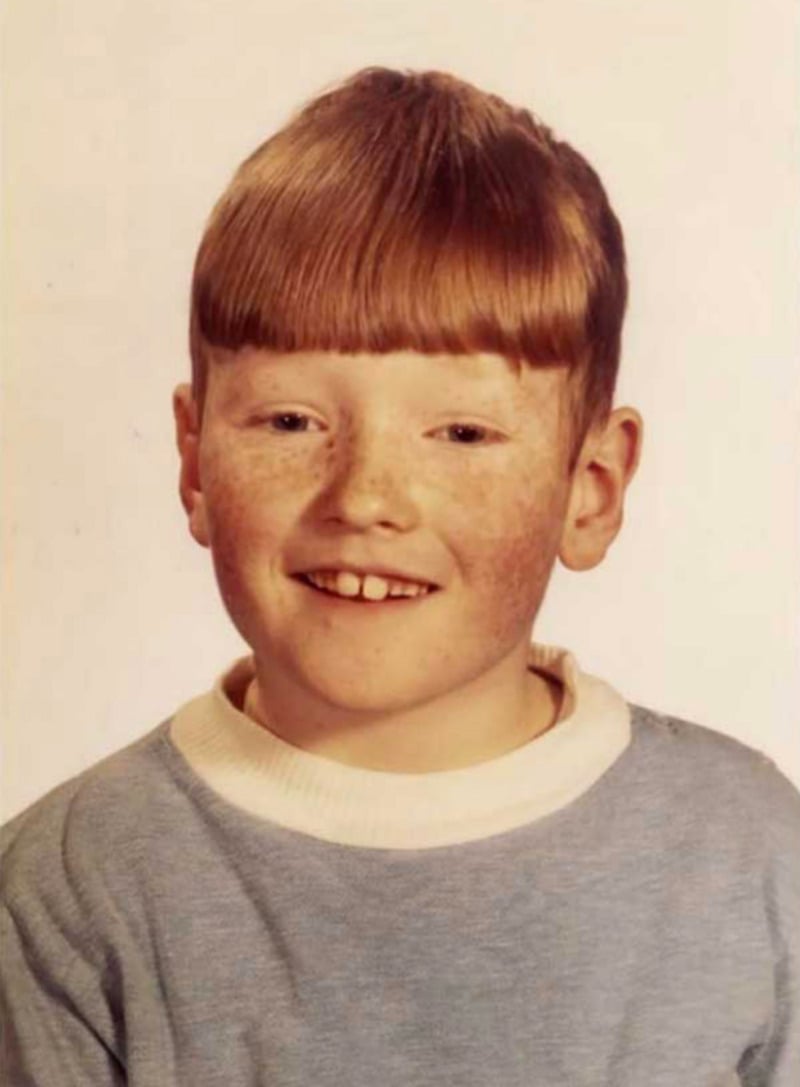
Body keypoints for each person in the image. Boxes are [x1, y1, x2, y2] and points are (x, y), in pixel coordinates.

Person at [1, 66, 798, 1086]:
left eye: (461, 431)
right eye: (292, 422)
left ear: (589, 487)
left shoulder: (745, 854)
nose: (366, 497)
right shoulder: (64, 895)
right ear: (194, 461)